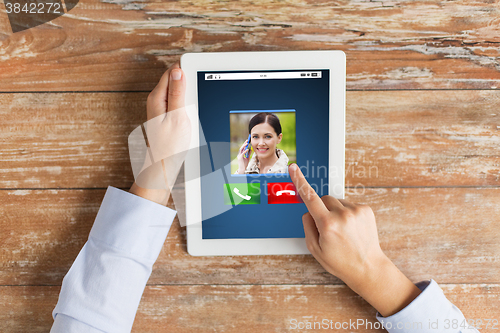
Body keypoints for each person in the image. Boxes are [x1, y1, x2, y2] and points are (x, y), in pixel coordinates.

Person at [50, 62, 480, 333]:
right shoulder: (242, 169)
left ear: (278, 138)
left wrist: (156, 174)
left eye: (267, 136)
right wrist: (371, 271)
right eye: (252, 136)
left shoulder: (279, 167)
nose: (258, 142)